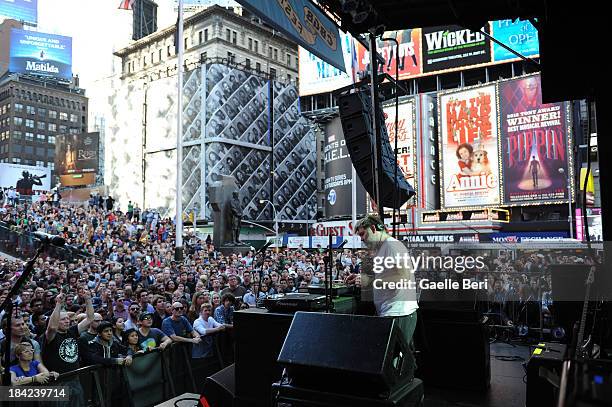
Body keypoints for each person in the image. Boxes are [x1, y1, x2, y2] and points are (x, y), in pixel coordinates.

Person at [345, 215, 418, 381]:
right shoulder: (383, 248)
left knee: (396, 362)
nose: (362, 239)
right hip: (392, 311)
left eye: (363, 234)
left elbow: (402, 278)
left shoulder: (392, 246)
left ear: (373, 229)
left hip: (399, 312)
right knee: (396, 358)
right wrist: (360, 277)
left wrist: (369, 281)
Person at [42, 292, 94, 407]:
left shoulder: (71, 331)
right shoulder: (50, 336)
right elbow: (52, 327)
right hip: (58, 382)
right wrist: (58, 304)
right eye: (63, 319)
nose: (67, 321)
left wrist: (88, 299)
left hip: (74, 379)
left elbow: (90, 318)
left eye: (67, 318)